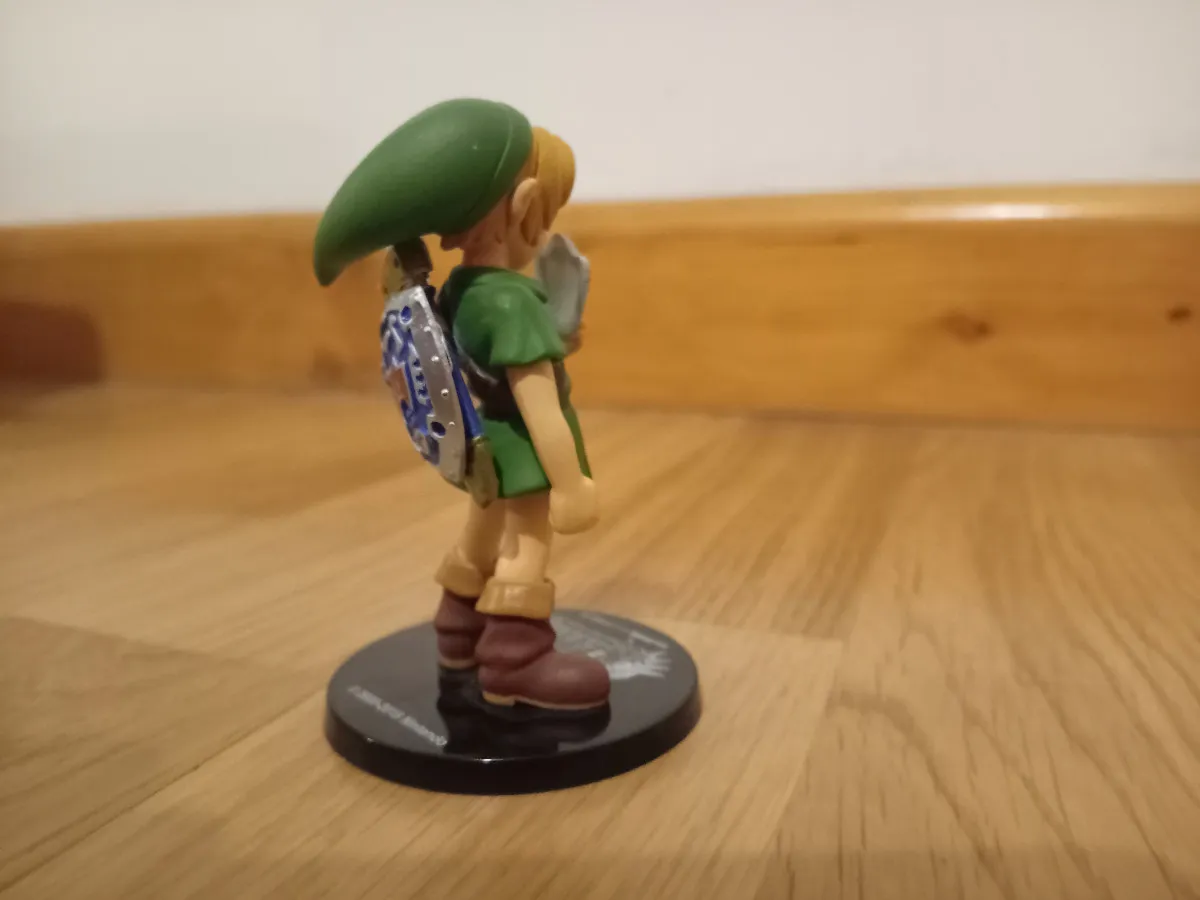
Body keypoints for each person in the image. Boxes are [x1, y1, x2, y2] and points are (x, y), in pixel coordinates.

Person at [313, 98, 610, 711]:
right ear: (525, 206)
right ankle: (514, 660)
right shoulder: (511, 301)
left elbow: (484, 359)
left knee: (481, 533)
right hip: (523, 451)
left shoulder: (461, 289)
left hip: (483, 444)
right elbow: (538, 403)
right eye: (545, 217)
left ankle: (457, 628)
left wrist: (559, 334)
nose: (544, 233)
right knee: (525, 543)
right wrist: (570, 484)